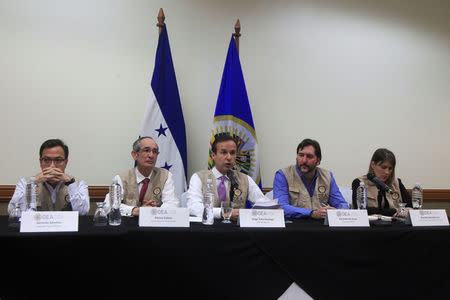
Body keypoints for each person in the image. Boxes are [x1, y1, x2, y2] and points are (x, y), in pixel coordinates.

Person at [187, 134, 267, 221]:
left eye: (232, 153)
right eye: (223, 152)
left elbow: (263, 203)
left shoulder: (245, 179)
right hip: (207, 230)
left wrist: (273, 209)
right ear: (213, 155)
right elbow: (193, 207)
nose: (229, 157)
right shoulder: (199, 178)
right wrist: (222, 213)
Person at [8, 139, 90, 215]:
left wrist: (70, 183)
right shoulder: (25, 183)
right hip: (36, 230)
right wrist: (33, 183)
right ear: (41, 162)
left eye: (58, 160)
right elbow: (13, 211)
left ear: (66, 162)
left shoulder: (78, 184)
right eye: (46, 160)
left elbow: (83, 212)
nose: (52, 166)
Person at [103, 137, 179, 217]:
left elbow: (172, 204)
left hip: (154, 225)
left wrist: (153, 211)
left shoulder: (165, 176)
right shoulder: (121, 178)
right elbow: (108, 206)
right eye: (146, 150)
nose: (151, 155)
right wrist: (135, 211)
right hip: (128, 226)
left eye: (155, 151)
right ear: (135, 155)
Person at [273, 138, 347, 219]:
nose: (304, 160)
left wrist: (337, 212)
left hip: (321, 227)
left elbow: (342, 204)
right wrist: (312, 213)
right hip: (293, 227)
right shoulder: (283, 175)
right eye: (301, 155)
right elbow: (281, 207)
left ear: (318, 161)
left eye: (309, 156)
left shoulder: (327, 176)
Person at [352, 148, 411, 216]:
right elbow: (361, 210)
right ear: (373, 165)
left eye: (390, 168)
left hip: (396, 224)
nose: (387, 172)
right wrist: (394, 211)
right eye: (383, 167)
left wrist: (405, 211)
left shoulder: (397, 183)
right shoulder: (359, 183)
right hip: (372, 225)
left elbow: (410, 207)